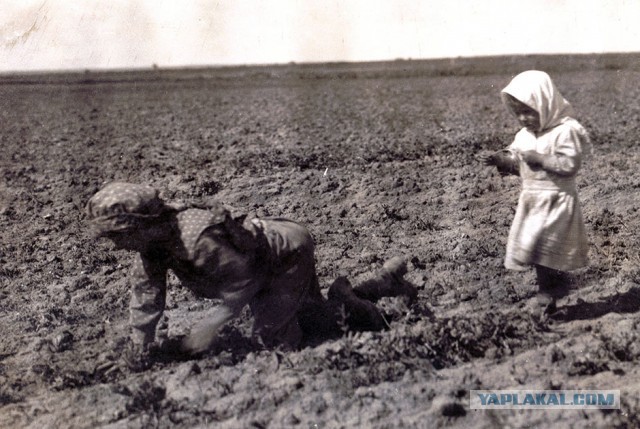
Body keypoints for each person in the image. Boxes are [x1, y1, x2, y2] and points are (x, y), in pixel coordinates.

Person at [86, 182, 417, 367]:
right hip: (263, 264)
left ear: (141, 226)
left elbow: (246, 281)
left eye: (118, 237)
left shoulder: (197, 239)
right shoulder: (151, 245)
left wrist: (209, 326)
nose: (115, 247)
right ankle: (370, 286)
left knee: (276, 346)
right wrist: (139, 348)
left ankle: (373, 313)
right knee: (316, 320)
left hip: (284, 255)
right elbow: (146, 297)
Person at [479, 70, 590, 319]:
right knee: (537, 249)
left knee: (548, 250)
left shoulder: (565, 131)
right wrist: (501, 159)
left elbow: (569, 165)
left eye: (529, 111)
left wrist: (540, 159)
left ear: (546, 104)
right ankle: (552, 289)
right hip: (533, 201)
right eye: (518, 113)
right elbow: (519, 162)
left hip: (556, 200)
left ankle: (548, 292)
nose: (523, 118)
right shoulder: (524, 136)